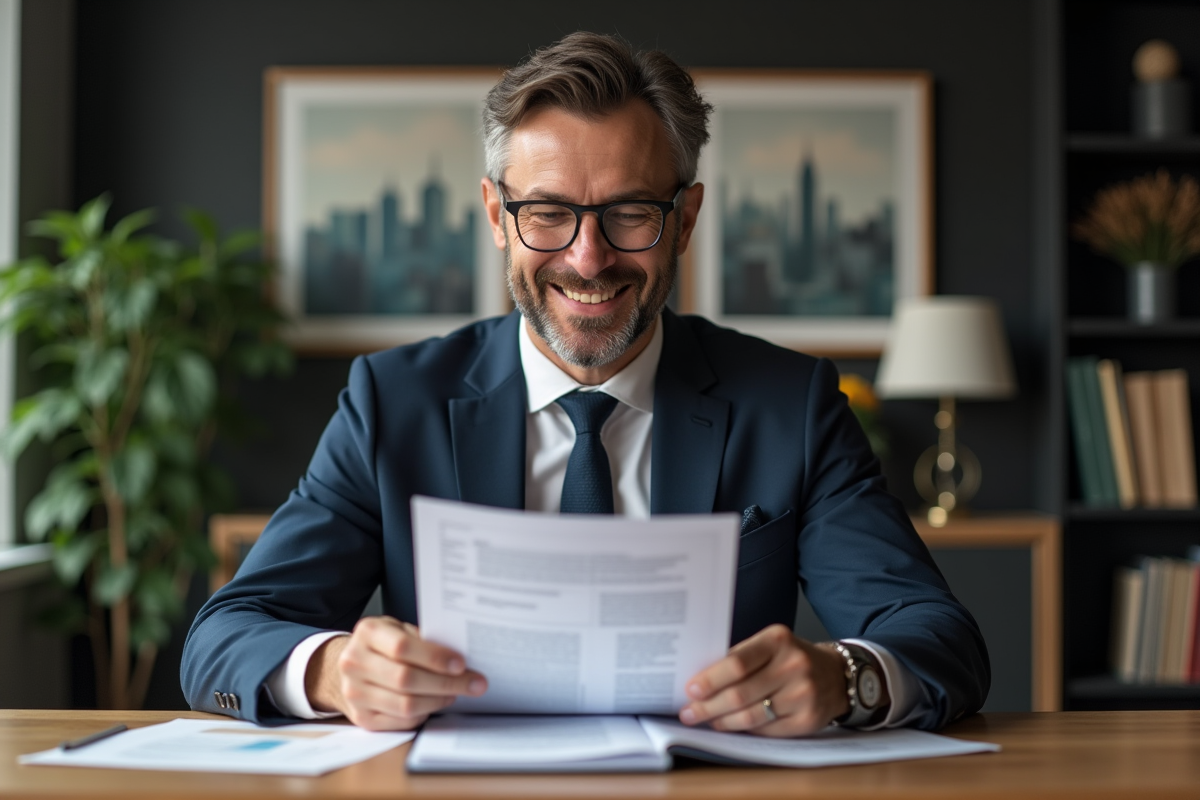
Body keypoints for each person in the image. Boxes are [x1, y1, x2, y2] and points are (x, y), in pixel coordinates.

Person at [182, 32, 989, 737]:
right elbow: (226, 636)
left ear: (685, 219)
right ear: (496, 217)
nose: (588, 258)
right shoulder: (391, 405)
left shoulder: (791, 405)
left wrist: (846, 678)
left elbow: (939, 637)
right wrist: (333, 671)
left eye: (630, 213)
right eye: (547, 213)